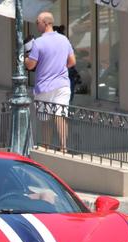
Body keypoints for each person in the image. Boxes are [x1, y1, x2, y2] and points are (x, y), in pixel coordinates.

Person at [25, 12, 76, 152]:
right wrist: (58, 67)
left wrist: (25, 57)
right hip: (62, 85)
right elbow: (72, 61)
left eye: (38, 22)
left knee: (45, 120)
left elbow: (30, 65)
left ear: (45, 23)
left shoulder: (38, 43)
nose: (36, 25)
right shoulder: (64, 39)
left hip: (44, 86)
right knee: (60, 115)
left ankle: (46, 147)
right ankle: (64, 147)